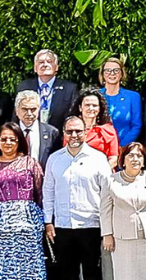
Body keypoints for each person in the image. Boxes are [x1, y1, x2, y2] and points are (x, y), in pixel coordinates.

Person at [45, 113, 113, 280]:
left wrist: (107, 228)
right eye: (69, 131)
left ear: (85, 132)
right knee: (67, 273)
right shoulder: (54, 159)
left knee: (92, 273)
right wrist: (48, 222)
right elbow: (48, 192)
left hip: (91, 225)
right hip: (63, 226)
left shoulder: (98, 159)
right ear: (63, 133)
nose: (74, 135)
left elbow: (107, 193)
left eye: (78, 131)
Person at [0, 123, 45, 280]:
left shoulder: (30, 163)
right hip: (1, 228)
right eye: (3, 139)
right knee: (3, 269)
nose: (7, 143)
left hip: (28, 226)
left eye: (12, 139)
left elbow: (40, 193)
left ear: (19, 141)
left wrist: (45, 222)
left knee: (30, 270)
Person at [101, 141, 146, 280]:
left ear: (144, 161)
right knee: (124, 275)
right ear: (123, 160)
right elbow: (105, 210)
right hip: (122, 239)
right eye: (131, 155)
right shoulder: (111, 180)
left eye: (139, 156)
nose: (135, 159)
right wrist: (107, 234)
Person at [18, 49, 79, 129]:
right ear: (35, 68)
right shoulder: (24, 87)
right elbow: (17, 115)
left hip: (59, 136)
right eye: (41, 62)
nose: (45, 65)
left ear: (56, 67)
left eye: (49, 62)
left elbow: (73, 116)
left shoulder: (70, 88)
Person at [96, 59, 143, 148]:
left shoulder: (133, 96)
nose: (112, 73)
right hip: (99, 147)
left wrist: (121, 146)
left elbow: (136, 126)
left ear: (122, 74)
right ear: (102, 74)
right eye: (108, 70)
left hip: (124, 148)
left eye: (116, 70)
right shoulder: (95, 96)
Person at [9, 90, 59, 165]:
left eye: (33, 109)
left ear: (39, 109)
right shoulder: (8, 132)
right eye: (25, 109)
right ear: (16, 110)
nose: (29, 114)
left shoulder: (51, 132)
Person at [77, 89, 120, 162]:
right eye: (87, 105)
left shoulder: (108, 130)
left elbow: (113, 159)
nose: (91, 108)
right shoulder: (71, 130)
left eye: (94, 105)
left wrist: (100, 172)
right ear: (80, 108)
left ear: (100, 108)